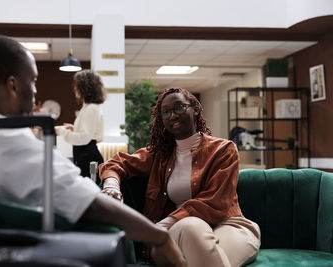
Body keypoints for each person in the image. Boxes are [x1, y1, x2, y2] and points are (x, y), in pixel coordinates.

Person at [0, 35, 186, 267]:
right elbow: (89, 203)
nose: (34, 92)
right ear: (12, 85)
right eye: (32, 81)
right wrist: (159, 237)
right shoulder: (4, 138)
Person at [100, 87, 261, 267]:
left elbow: (214, 201)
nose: (173, 116)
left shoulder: (223, 150)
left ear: (195, 109)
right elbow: (117, 163)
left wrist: (162, 225)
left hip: (228, 225)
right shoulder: (160, 156)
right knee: (191, 226)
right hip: (181, 228)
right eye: (166, 112)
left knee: (205, 255)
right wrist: (112, 185)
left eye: (179, 108)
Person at [55, 69, 105, 181]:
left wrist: (62, 131)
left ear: (84, 87)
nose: (75, 88)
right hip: (85, 156)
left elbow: (84, 138)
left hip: (88, 158)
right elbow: (92, 134)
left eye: (77, 85)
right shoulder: (89, 107)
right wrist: (75, 129)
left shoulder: (91, 108)